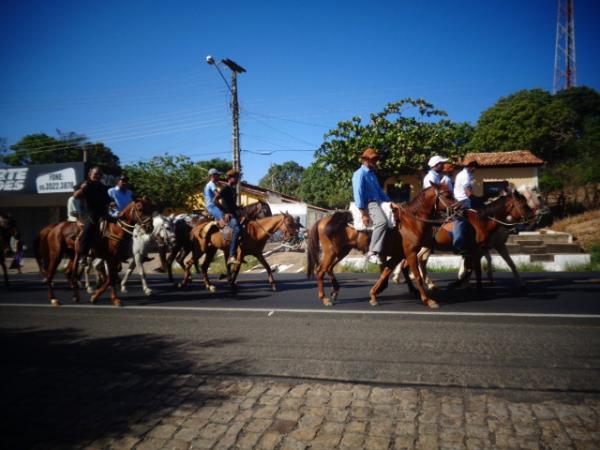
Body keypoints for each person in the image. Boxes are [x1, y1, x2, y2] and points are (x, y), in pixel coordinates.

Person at [352, 148, 391, 265]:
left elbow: (379, 191)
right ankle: (372, 252)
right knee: (382, 222)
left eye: (376, 160)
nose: (375, 162)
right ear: (365, 160)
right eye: (373, 160)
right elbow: (358, 193)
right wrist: (363, 213)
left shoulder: (372, 174)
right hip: (370, 203)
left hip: (379, 202)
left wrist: (390, 202)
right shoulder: (359, 174)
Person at [74, 166, 113, 260]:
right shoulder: (84, 184)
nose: (98, 176)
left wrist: (112, 203)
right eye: (96, 174)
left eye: (99, 174)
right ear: (90, 174)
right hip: (88, 214)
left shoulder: (103, 187)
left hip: (102, 213)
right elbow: (75, 196)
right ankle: (83, 253)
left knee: (117, 223)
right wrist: (82, 189)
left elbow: (108, 200)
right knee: (89, 228)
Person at [453, 160, 478, 253]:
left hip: (466, 200)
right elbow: (467, 191)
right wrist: (476, 199)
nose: (475, 169)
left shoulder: (468, 175)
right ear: (471, 167)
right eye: (475, 167)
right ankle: (457, 244)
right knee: (460, 221)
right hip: (463, 201)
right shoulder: (465, 175)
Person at [218, 169, 243, 266]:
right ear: (230, 178)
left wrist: (238, 207)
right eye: (236, 177)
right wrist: (225, 213)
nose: (237, 179)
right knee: (237, 228)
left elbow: (232, 205)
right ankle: (231, 256)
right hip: (227, 216)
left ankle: (239, 252)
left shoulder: (233, 190)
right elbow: (215, 200)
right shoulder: (225, 188)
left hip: (234, 214)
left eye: (238, 178)